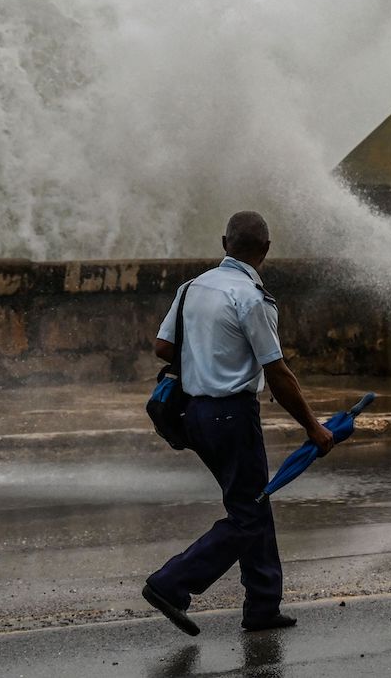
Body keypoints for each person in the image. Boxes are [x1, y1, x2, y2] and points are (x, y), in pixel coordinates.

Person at [142, 211, 334, 636]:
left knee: (253, 503)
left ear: (224, 242)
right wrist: (313, 427)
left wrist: (206, 354)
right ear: (266, 250)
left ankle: (263, 605)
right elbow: (278, 373)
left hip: (192, 415)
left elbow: (162, 347)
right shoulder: (251, 298)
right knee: (248, 514)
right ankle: (170, 583)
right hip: (231, 416)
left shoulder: (192, 288)